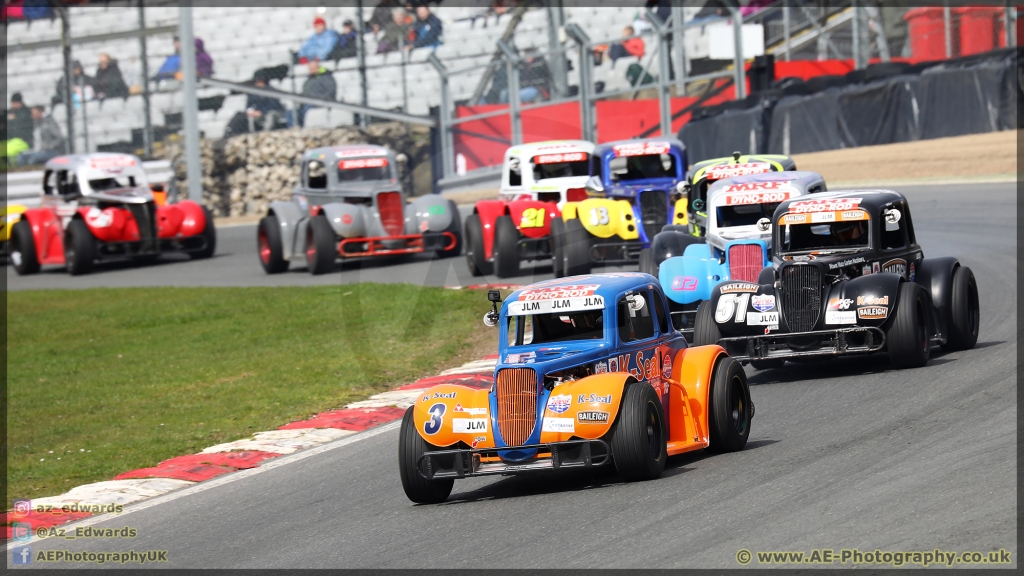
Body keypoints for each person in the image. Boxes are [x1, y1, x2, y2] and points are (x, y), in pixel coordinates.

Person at [296, 59, 336, 127]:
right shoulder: (309, 80)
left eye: (313, 68)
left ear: (318, 68)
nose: (311, 70)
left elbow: (331, 91)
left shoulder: (326, 77)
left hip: (319, 101)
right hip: (307, 101)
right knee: (291, 112)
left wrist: (319, 99)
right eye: (310, 69)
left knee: (307, 108)